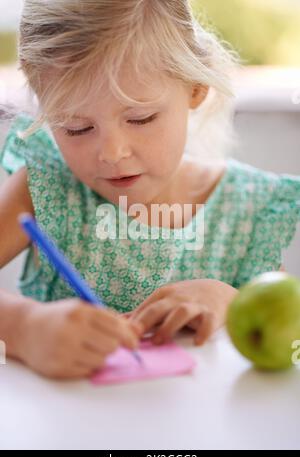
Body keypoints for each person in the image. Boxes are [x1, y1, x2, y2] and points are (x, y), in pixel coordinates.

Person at [0, 0, 299, 379]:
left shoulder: (250, 210)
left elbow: (293, 345)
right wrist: (22, 327)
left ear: (195, 87)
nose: (112, 153)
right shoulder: (45, 186)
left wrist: (232, 302)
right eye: (76, 127)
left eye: (140, 118)